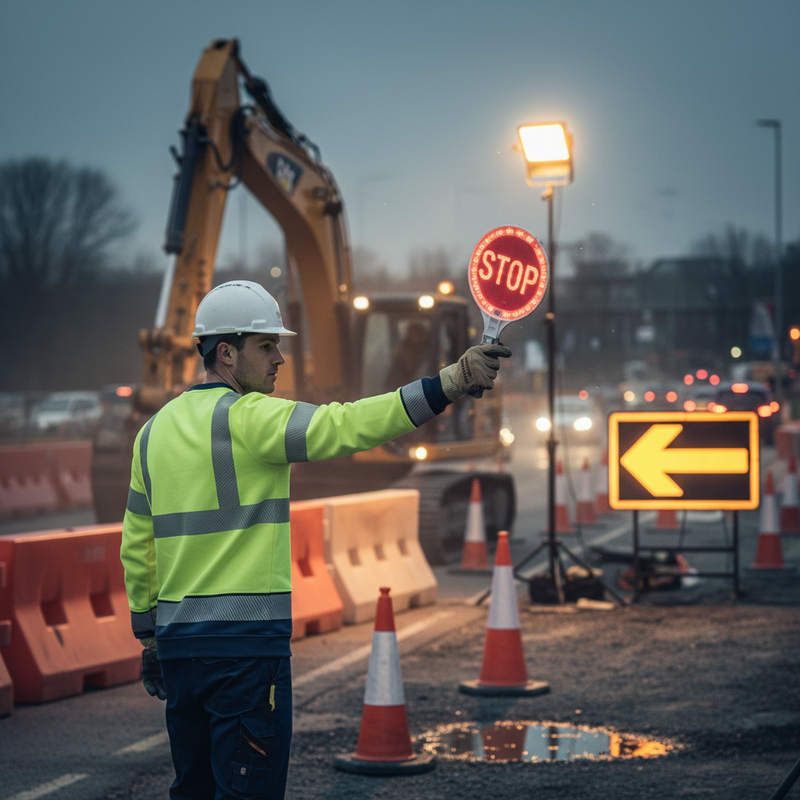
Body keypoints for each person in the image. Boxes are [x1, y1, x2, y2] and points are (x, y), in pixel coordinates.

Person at [120, 279, 510, 800]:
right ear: (226, 352)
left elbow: (137, 545)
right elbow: (349, 425)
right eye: (267, 345)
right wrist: (449, 382)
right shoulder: (249, 417)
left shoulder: (152, 433)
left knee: (192, 792)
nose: (280, 357)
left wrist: (148, 637)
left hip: (179, 655)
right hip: (245, 655)